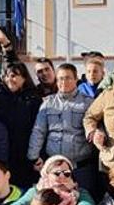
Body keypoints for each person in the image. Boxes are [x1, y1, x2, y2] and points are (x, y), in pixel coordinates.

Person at [28, 63, 95, 192]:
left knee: (84, 202)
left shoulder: (88, 103)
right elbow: (38, 131)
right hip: (55, 168)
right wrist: (34, 157)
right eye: (60, 78)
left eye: (68, 78)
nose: (64, 82)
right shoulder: (48, 103)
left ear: (76, 79)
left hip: (81, 168)